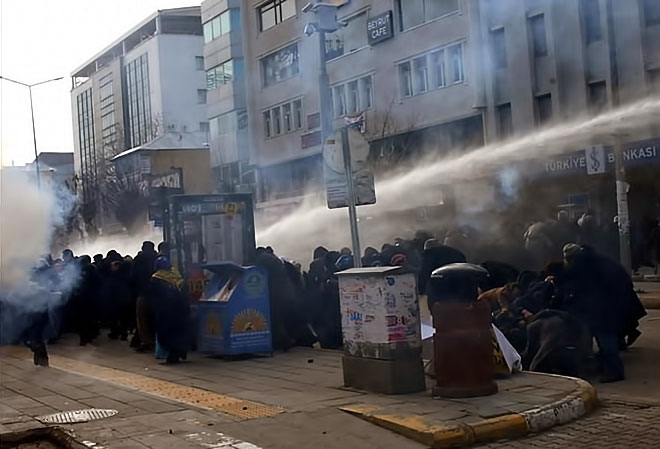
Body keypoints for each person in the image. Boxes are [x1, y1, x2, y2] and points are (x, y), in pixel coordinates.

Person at [562, 243, 628, 383]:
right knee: (606, 340)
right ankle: (605, 368)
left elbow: (582, 288)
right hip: (609, 306)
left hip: (601, 309)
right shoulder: (594, 260)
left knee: (606, 341)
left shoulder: (583, 266)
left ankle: (614, 372)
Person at [147, 256, 190, 363]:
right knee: (179, 330)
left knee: (166, 332)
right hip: (181, 309)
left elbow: (152, 295)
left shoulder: (156, 279)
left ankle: (173, 353)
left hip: (165, 311)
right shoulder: (177, 275)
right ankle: (181, 350)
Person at [131, 241, 159, 351]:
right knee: (155, 318)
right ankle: (157, 340)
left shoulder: (139, 259)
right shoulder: (157, 258)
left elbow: (133, 277)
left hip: (142, 294)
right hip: (157, 294)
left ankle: (147, 342)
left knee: (142, 320)